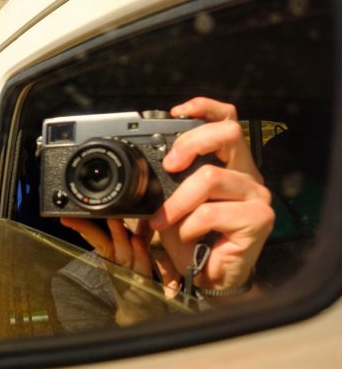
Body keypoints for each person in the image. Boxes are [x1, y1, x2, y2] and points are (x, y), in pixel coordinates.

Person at [53, 97, 276, 332]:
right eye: (127, 169)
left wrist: (231, 292)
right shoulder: (80, 284)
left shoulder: (248, 249)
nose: (152, 185)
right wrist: (138, 324)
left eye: (162, 161)